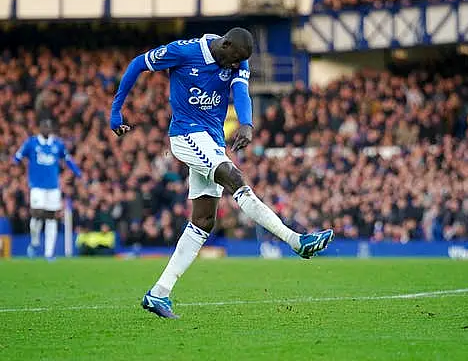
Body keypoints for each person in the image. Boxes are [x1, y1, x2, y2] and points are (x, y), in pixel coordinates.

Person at [110, 28, 334, 319]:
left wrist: (246, 123)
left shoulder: (239, 59)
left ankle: (158, 293)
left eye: (239, 61)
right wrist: (116, 110)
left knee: (203, 221)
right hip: (186, 135)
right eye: (233, 59)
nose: (234, 65)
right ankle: (295, 241)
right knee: (235, 179)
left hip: (212, 140)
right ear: (225, 44)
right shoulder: (185, 52)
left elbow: (241, 92)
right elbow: (138, 63)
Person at [13, 119, 83, 260]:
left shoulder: (57, 144)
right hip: (37, 187)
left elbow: (67, 159)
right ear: (39, 128)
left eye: (48, 127)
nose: (46, 129)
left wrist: (77, 172)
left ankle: (49, 254)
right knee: (37, 214)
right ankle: (34, 242)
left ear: (51, 129)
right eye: (44, 126)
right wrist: (15, 169)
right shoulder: (31, 143)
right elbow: (17, 157)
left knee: (51, 219)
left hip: (53, 188)